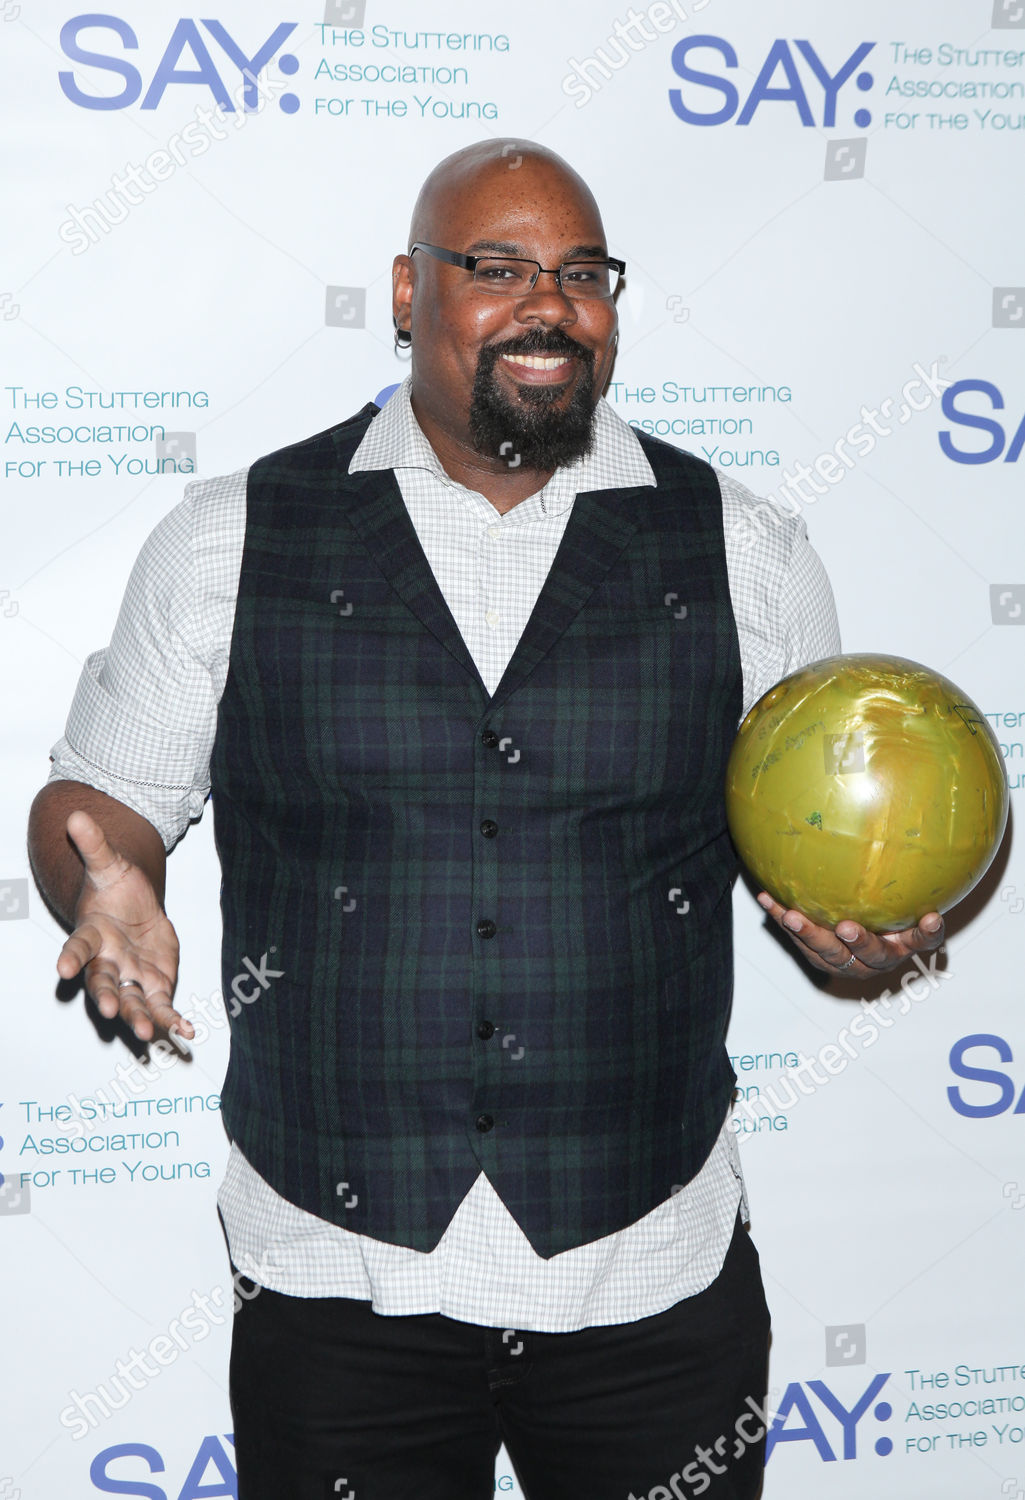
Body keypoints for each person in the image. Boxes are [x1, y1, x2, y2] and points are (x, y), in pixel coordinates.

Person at [28, 139, 944, 1500]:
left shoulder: (742, 550)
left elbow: (817, 839)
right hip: (338, 1278)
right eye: (498, 267)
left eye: (581, 274)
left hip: (652, 1271)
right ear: (410, 292)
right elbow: (96, 805)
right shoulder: (234, 537)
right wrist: (103, 886)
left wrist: (857, 944)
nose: (547, 304)